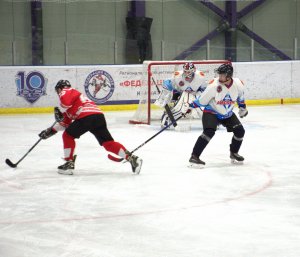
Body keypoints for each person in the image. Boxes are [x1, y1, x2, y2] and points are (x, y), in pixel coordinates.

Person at [39, 80, 143, 175]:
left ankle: (69, 163)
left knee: (67, 135)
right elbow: (64, 123)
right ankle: (132, 159)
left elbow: (65, 103)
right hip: (98, 116)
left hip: (86, 116)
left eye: (58, 90)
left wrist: (60, 109)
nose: (58, 93)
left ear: (60, 88)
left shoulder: (67, 90)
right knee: (108, 143)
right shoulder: (73, 103)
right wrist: (50, 131)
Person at [182, 63, 248, 167]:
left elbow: (240, 97)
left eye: (222, 75)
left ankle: (234, 153)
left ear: (229, 75)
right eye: (219, 74)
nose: (220, 76)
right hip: (211, 112)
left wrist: (242, 107)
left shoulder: (238, 84)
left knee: (240, 131)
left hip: (227, 114)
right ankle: (194, 156)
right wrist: (191, 106)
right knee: (209, 132)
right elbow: (202, 100)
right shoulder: (213, 85)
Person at [154, 62, 207, 128]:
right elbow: (167, 83)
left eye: (189, 72)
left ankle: (210, 122)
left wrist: (195, 102)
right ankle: (167, 117)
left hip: (196, 94)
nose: (187, 74)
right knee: (181, 109)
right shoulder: (178, 76)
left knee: (202, 109)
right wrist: (164, 96)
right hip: (183, 94)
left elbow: (205, 90)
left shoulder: (200, 77)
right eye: (185, 71)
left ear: (194, 70)